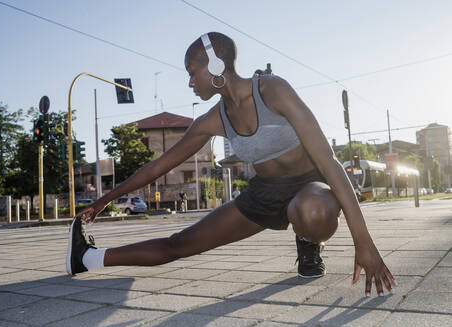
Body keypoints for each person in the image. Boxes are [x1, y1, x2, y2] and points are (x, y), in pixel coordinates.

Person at [67, 32, 395, 296]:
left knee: (309, 209)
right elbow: (159, 167)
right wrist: (104, 200)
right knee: (179, 245)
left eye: (192, 73)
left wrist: (363, 242)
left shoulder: (273, 90)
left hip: (311, 186)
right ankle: (88, 258)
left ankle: (308, 242)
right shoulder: (212, 120)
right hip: (264, 193)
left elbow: (329, 161)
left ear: (213, 64)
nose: (190, 82)